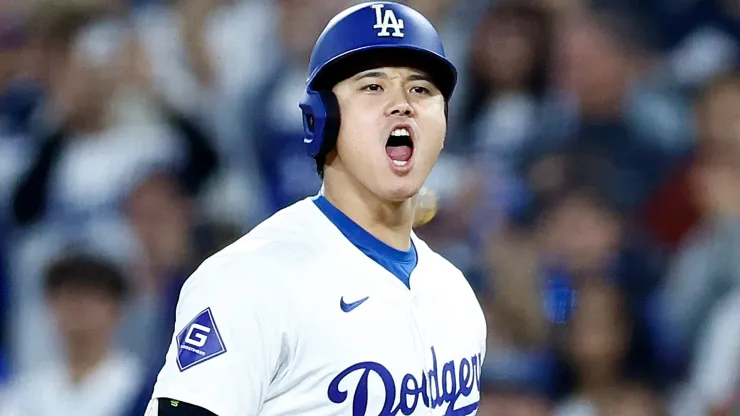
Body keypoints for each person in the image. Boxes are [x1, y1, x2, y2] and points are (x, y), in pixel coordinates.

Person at [144, 2, 487, 415]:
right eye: (372, 87)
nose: (402, 105)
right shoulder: (248, 280)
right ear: (319, 121)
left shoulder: (455, 295)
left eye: (421, 89)